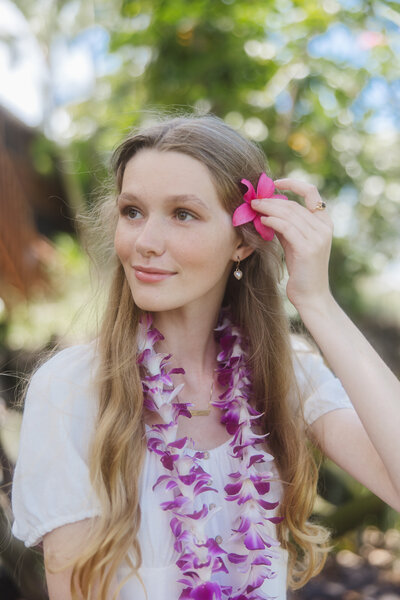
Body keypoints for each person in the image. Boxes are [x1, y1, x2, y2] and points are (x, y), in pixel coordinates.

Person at [11, 115, 400, 600]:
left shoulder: (286, 374)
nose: (145, 242)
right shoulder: (72, 389)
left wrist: (317, 302)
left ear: (242, 241)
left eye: (183, 214)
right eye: (133, 211)